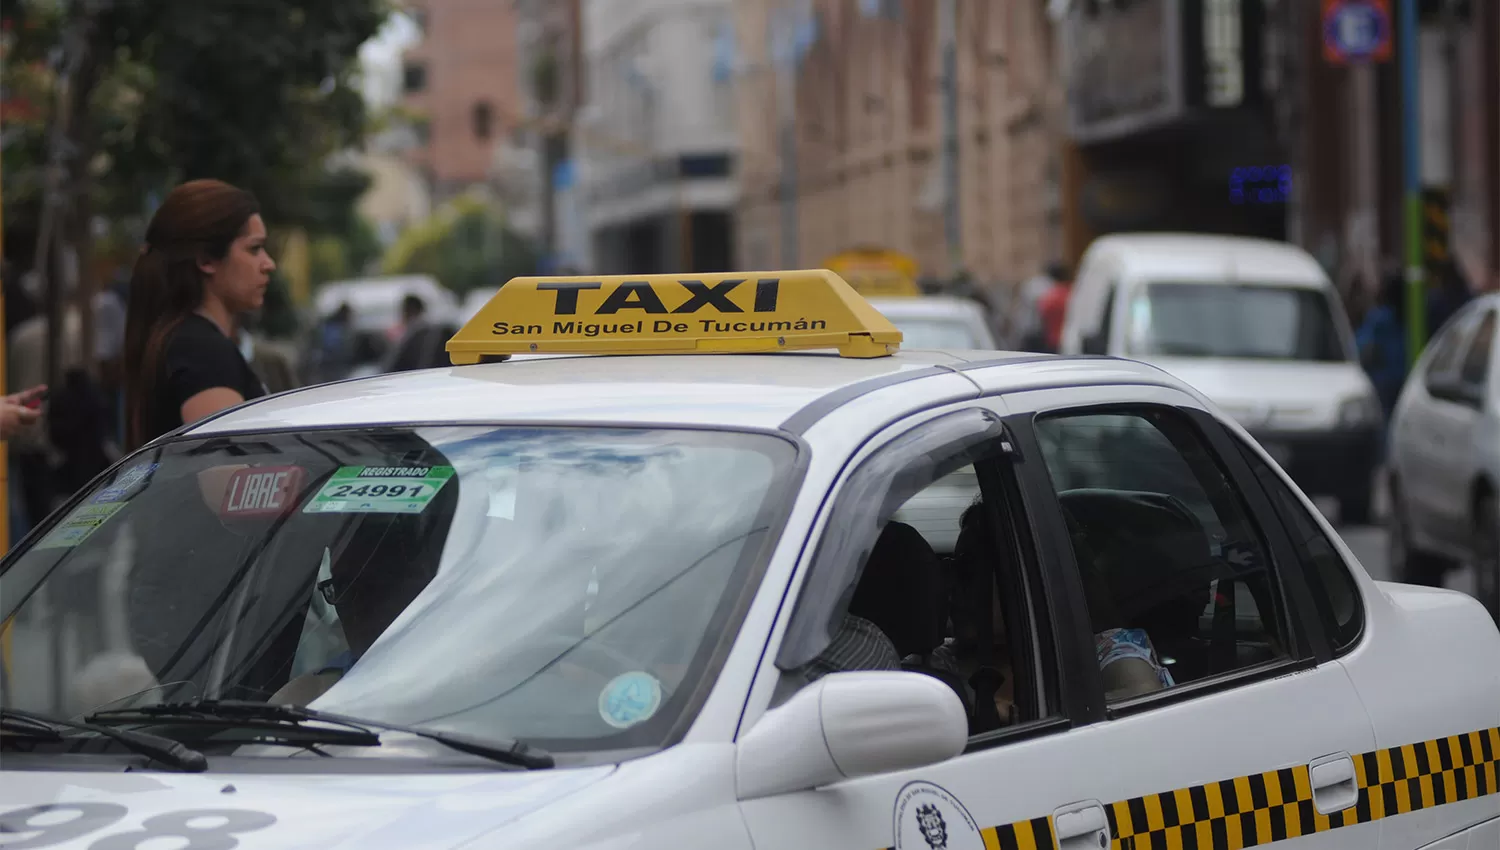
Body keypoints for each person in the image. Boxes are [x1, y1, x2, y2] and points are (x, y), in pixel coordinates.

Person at [122, 179, 276, 450]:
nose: (268, 263)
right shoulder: (204, 352)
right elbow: (225, 483)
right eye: (254, 249)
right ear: (206, 260)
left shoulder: (182, 341)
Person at [1035, 263, 1072, 354]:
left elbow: (1041, 317)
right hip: (1068, 339)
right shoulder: (1071, 294)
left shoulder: (1048, 297)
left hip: (1052, 341)